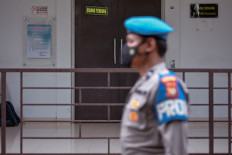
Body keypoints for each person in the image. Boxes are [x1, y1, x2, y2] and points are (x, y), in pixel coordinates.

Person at [120, 16, 189, 155]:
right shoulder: (145, 81)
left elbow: (177, 148)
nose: (127, 48)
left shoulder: (166, 86)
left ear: (150, 45)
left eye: (131, 42)